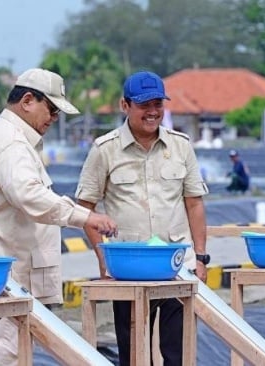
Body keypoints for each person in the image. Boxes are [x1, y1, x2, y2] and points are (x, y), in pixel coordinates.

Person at [0, 68, 118, 365]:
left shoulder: (10, 137)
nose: (53, 118)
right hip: (6, 269)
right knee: (5, 354)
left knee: (9, 352)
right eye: (52, 109)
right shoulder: (12, 144)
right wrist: (85, 217)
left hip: (10, 268)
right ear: (28, 100)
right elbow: (29, 196)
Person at [75, 70, 209, 366]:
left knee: (178, 351)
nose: (152, 112)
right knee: (134, 352)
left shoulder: (180, 145)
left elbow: (194, 203)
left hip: (177, 264)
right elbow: (86, 208)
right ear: (125, 106)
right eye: (144, 105)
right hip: (128, 267)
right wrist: (104, 261)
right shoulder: (104, 150)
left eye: (158, 104)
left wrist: (200, 257)